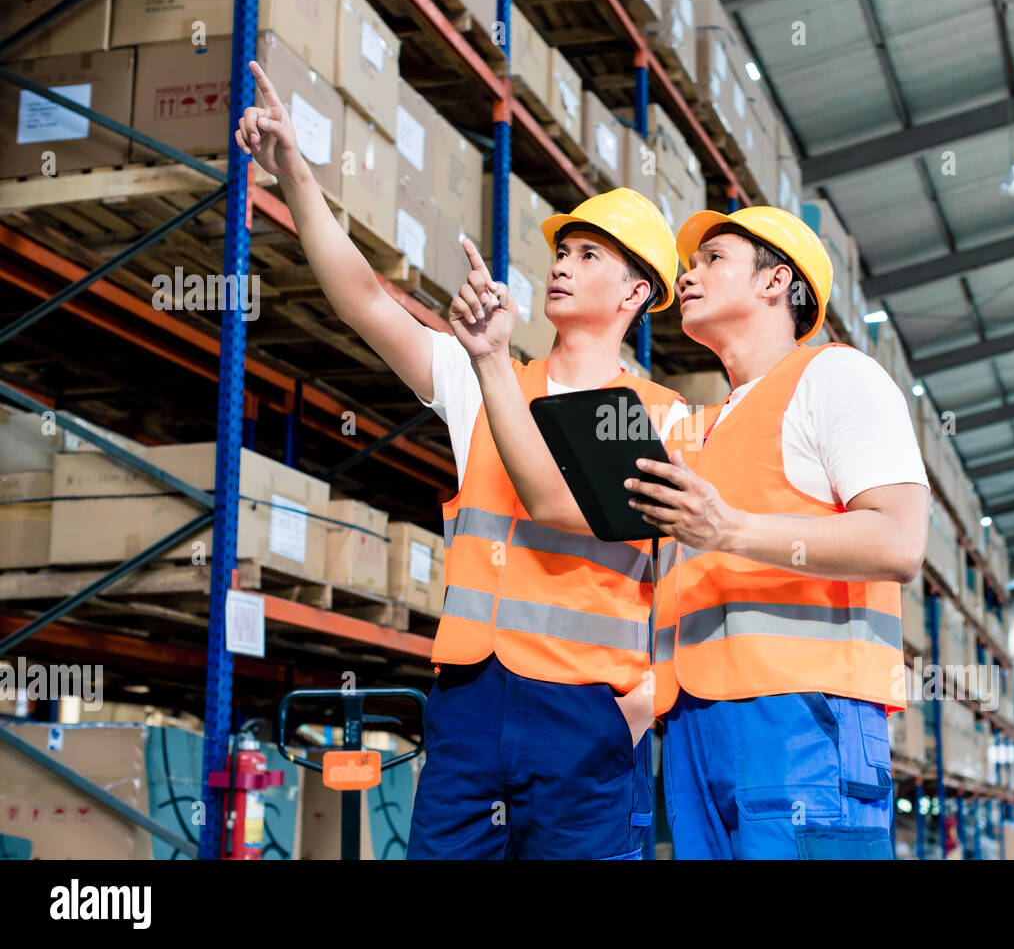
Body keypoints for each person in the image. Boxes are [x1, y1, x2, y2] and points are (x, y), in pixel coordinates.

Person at [235, 61, 688, 858]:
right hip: (471, 698)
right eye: (563, 250)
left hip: (588, 712)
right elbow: (366, 301)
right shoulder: (487, 379)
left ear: (635, 294)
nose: (561, 263)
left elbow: (687, 589)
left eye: (587, 255)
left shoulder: (665, 419)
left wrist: (642, 705)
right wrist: (297, 173)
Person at [622, 206, 931, 858]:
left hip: (804, 720)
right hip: (693, 725)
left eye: (713, 260)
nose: (688, 275)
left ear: (773, 282)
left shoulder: (836, 376)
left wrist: (728, 528)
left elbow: (900, 543)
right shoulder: (708, 427)